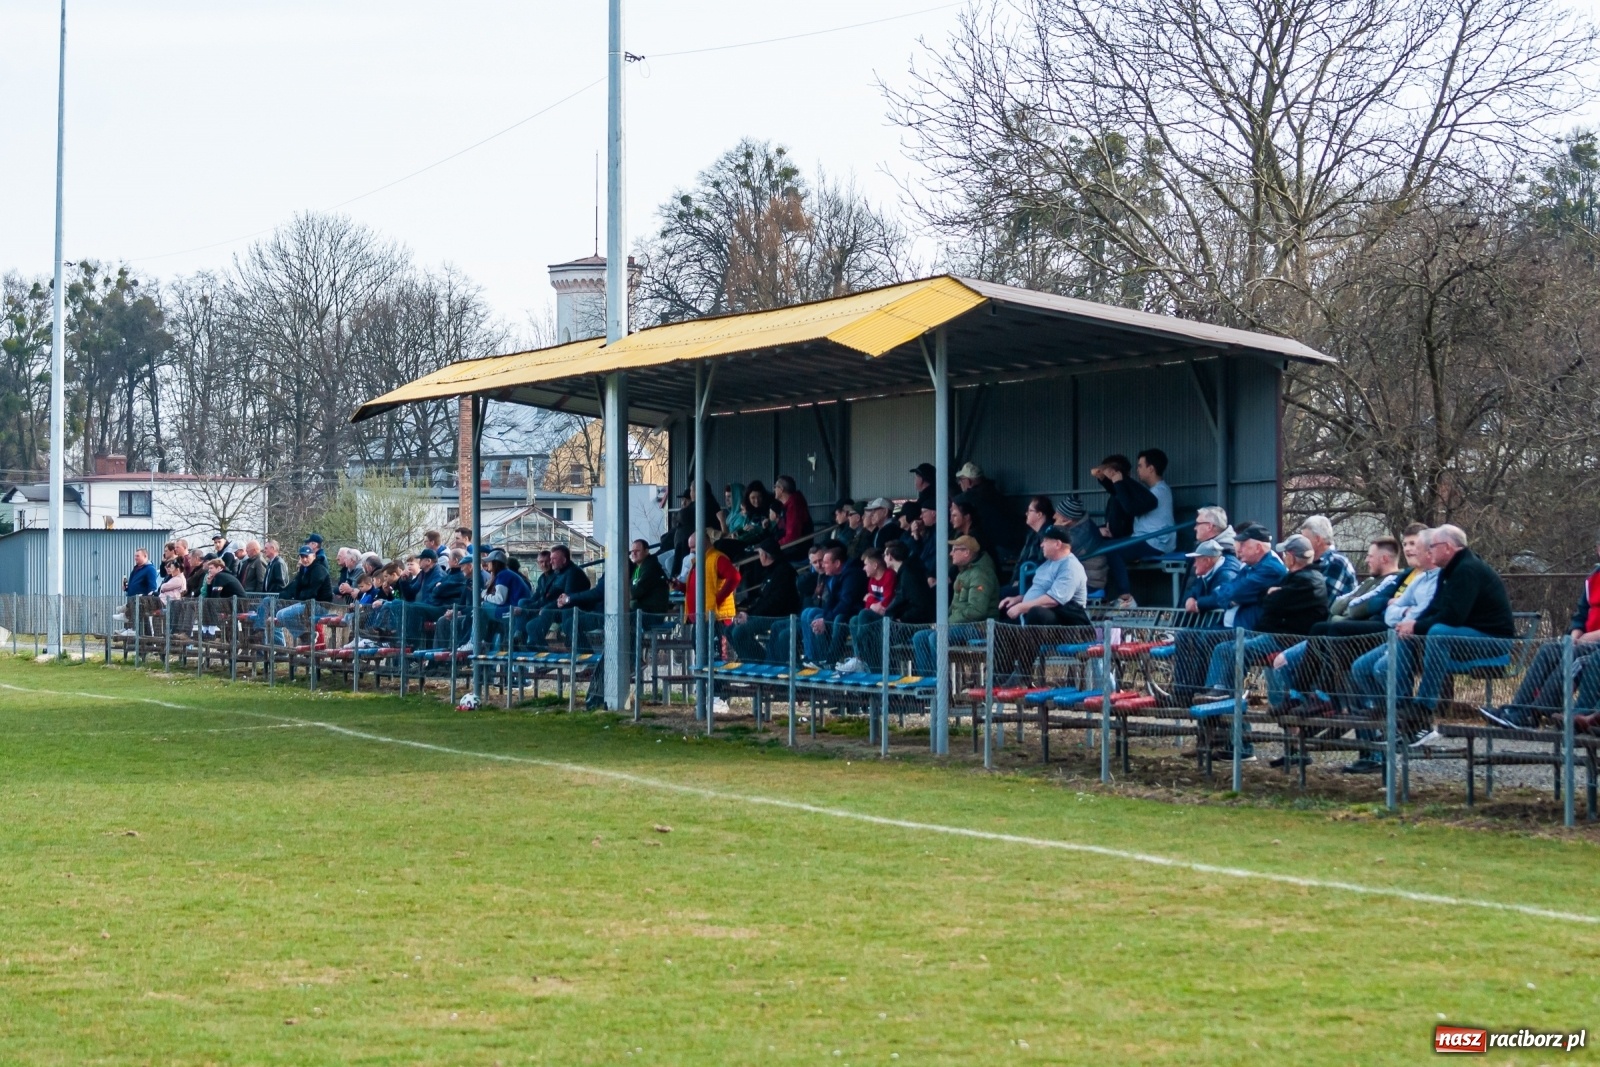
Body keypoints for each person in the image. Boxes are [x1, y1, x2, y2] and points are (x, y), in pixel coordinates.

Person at [1399, 524, 1516, 745]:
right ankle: (1400, 707)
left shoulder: (1467, 570)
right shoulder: (1448, 571)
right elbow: (1435, 609)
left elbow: (1452, 618)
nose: (1429, 551)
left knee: (1438, 633)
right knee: (1407, 638)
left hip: (1492, 640)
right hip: (1466, 636)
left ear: (1448, 547)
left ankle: (1423, 708)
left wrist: (1417, 626)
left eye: (1432, 546)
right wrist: (1411, 625)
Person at [1189, 525, 1288, 700]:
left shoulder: (1270, 567)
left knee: (1212, 642)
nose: (1238, 549)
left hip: (1253, 628)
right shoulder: (1249, 566)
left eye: (1243, 545)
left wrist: (1232, 596)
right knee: (1190, 636)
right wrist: (1231, 596)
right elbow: (1228, 591)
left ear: (1258, 547)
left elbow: (1235, 592)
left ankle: (1219, 693)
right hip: (1239, 625)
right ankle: (1197, 691)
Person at [1095, 449, 1176, 606]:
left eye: (1140, 466)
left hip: (1155, 541)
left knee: (1110, 549)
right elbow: (1120, 496)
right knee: (1106, 546)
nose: (1137, 469)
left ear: (1151, 468)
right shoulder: (1151, 491)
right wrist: (1105, 479)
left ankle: (1126, 598)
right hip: (1143, 538)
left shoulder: (1160, 491)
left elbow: (1131, 507)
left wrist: (1120, 480)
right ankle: (1106, 598)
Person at [910, 535, 998, 673]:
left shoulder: (980, 574)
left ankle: (943, 685)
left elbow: (977, 611)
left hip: (979, 627)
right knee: (919, 637)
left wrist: (947, 623)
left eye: (955, 550)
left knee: (936, 637)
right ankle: (929, 683)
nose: (951, 554)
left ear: (966, 552)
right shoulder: (964, 573)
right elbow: (955, 607)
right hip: (961, 625)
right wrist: (942, 622)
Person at [1170, 539, 1244, 703]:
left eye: (1197, 559)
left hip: (1229, 626)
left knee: (1205, 639)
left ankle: (1199, 689)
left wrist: (1198, 604)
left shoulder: (1225, 573)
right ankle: (1181, 692)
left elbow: (1220, 598)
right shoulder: (1205, 573)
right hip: (1214, 625)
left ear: (1208, 560)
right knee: (1184, 636)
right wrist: (1190, 598)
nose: (1194, 564)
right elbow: (1195, 590)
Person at [789, 543, 864, 666]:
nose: (822, 566)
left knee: (833, 618)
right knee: (810, 613)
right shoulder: (834, 576)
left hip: (851, 613)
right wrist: (824, 618)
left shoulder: (852, 575)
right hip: (839, 612)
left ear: (837, 564)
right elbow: (831, 601)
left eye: (825, 562)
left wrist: (826, 619)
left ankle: (827, 660)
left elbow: (846, 602)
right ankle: (811, 657)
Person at [998, 527, 1089, 627]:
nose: (1041, 545)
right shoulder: (1047, 564)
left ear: (1057, 544)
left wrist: (1021, 607)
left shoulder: (1070, 567)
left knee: (1037, 613)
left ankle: (1033, 642)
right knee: (1000, 628)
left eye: (1045, 540)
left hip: (1066, 622)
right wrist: (1019, 599)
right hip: (1037, 617)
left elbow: (1053, 600)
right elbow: (1041, 591)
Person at [730, 539, 801, 662]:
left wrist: (751, 615)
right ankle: (755, 660)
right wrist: (747, 613)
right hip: (764, 614)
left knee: (739, 632)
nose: (759, 557)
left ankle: (761, 663)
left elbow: (775, 602)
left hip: (778, 617)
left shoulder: (784, 571)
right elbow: (762, 599)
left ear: (764, 555)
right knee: (729, 629)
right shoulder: (768, 572)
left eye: (759, 554)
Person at [954, 462, 1025, 558]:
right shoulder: (990, 491)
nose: (960, 484)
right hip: (1009, 543)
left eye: (961, 480)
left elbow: (955, 500)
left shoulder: (977, 495)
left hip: (1002, 546)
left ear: (969, 481)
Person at [273, 543, 334, 645]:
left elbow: (312, 592)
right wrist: (284, 596)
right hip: (307, 604)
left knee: (282, 615)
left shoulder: (319, 570)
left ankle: (308, 636)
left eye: (307, 556)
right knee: (280, 614)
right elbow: (296, 587)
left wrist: (298, 599)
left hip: (319, 606)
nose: (304, 559)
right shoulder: (304, 570)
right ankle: (307, 636)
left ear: (313, 556)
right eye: (302, 557)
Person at [847, 547, 899, 668]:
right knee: (854, 620)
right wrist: (873, 603)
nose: (863, 568)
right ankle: (859, 658)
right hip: (875, 617)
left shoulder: (889, 576)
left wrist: (870, 599)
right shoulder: (871, 580)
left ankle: (860, 656)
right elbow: (869, 607)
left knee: (864, 615)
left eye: (865, 565)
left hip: (888, 618)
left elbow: (886, 603)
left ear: (875, 565)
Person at [1002, 495, 1056, 598]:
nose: (1026, 513)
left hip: (1035, 585)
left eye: (1030, 511)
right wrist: (1016, 580)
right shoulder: (1032, 534)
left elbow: (1041, 565)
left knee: (1002, 594)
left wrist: (1021, 582)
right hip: (1024, 582)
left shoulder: (1048, 535)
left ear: (1039, 514)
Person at [1054, 497, 1109, 594]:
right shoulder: (1081, 525)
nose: (1054, 516)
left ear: (1067, 519)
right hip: (1085, 580)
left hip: (1089, 584)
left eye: (1058, 515)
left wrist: (1056, 528)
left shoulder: (1078, 536)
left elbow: (1053, 552)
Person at [1300, 515, 1357, 605]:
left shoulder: (1336, 563)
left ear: (1318, 540)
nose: (1301, 544)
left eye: (1305, 539)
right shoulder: (1314, 562)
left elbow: (1323, 604)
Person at [772, 475, 813, 558]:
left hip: (796, 548)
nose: (774, 490)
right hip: (792, 546)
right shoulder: (790, 504)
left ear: (781, 489)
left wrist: (775, 545)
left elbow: (792, 535)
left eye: (775, 487)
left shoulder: (794, 506)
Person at [629, 540, 672, 616]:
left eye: (637, 551)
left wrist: (622, 596)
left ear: (646, 551)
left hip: (651, 614)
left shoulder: (651, 567)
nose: (634, 554)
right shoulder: (637, 567)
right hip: (640, 611)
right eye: (632, 551)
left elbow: (635, 592)